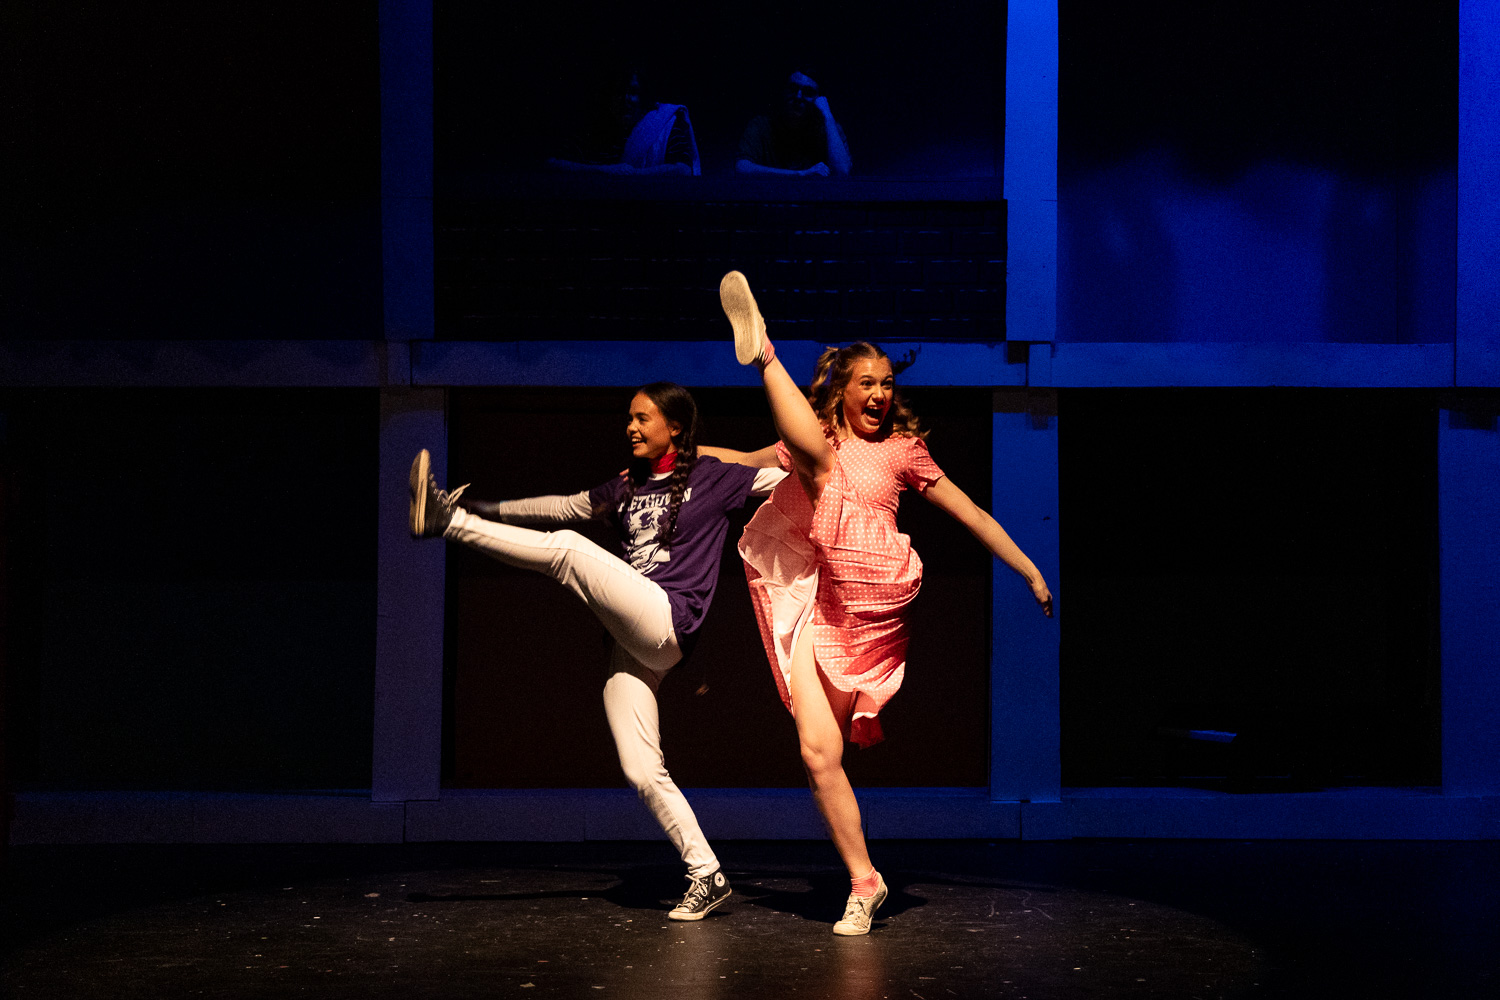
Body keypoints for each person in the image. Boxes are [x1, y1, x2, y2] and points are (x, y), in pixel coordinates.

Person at [704, 271, 1054, 935]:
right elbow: (744, 464)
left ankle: (765, 355)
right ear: (842, 389)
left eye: (888, 384)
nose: (881, 394)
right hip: (828, 602)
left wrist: (1030, 570)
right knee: (818, 754)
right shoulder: (816, 442)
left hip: (879, 592)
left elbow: (973, 514)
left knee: (816, 461)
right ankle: (865, 882)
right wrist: (681, 458)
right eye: (868, 383)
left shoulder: (901, 452)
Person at [408, 382, 784, 919]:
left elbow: (796, 476)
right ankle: (708, 874)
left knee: (566, 550)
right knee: (641, 769)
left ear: (675, 427)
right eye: (629, 418)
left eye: (643, 418)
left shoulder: (715, 477)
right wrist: (483, 503)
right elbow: (563, 506)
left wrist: (833, 455)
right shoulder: (626, 485)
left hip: (667, 619)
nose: (631, 427)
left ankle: (448, 524)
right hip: (634, 640)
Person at [547, 69, 701, 176]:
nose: (626, 100)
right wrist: (604, 171)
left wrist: (634, 175)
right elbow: (553, 164)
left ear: (643, 97)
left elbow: (684, 170)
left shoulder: (663, 125)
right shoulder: (592, 131)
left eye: (633, 92)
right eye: (619, 92)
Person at [736, 71, 852, 178]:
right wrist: (800, 174)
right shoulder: (761, 126)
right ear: (783, 91)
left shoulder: (830, 129)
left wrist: (827, 115)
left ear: (818, 98)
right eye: (793, 89)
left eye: (808, 92)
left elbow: (842, 172)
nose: (798, 96)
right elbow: (742, 167)